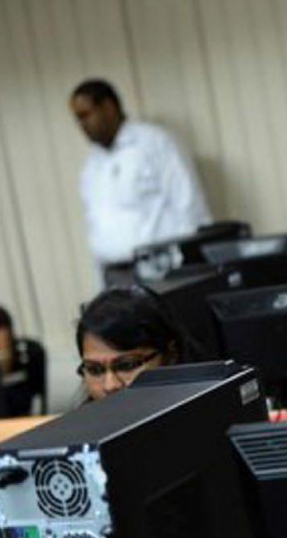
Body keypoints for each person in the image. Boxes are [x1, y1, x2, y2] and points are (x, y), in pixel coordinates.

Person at [70, 79, 212, 283]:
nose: (81, 125)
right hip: (115, 276)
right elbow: (95, 225)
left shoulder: (153, 143)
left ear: (108, 108)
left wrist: (193, 269)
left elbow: (189, 206)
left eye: (85, 115)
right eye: (77, 119)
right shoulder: (92, 167)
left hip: (159, 271)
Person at [75, 286, 195, 401]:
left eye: (127, 365)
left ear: (170, 356)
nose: (110, 386)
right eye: (95, 370)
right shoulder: (80, 421)